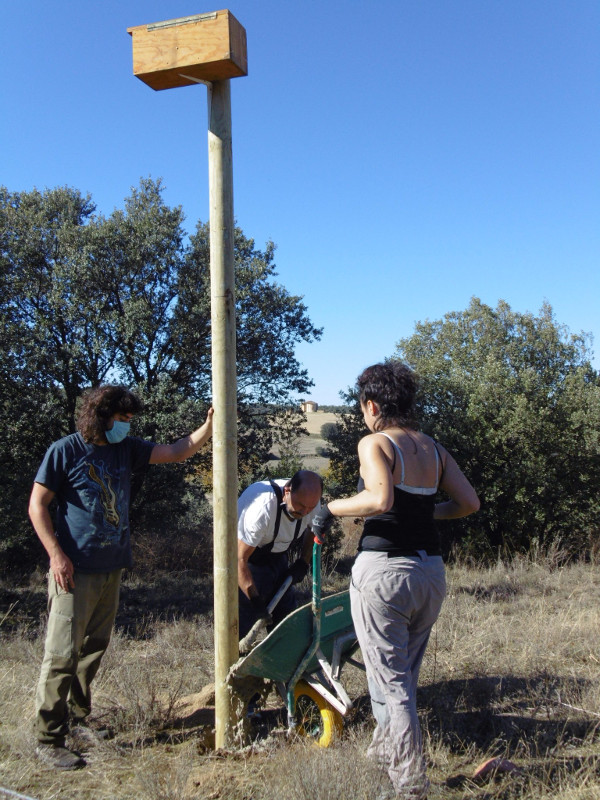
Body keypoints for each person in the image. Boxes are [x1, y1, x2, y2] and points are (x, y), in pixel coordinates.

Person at [311, 363, 479, 799]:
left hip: (385, 573)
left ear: (372, 405)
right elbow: (468, 503)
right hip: (430, 574)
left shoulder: (375, 442)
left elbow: (379, 499)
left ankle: (409, 786)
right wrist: (425, 513)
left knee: (392, 684)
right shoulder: (434, 449)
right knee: (400, 677)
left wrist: (330, 508)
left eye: (363, 406)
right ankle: (384, 756)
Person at [29, 384, 214, 771]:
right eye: (122, 420)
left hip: (111, 567)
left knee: (93, 649)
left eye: (130, 421)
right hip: (73, 571)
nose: (127, 427)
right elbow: (37, 506)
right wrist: (57, 556)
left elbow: (176, 452)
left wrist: (208, 427)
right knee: (62, 654)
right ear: (102, 415)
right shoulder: (65, 451)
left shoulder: (125, 449)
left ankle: (80, 721)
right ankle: (48, 738)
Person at [237, 470, 323, 639]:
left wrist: (303, 562)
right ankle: (237, 662)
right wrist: (255, 600)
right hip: (248, 562)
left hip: (278, 558)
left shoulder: (311, 501)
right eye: (300, 506)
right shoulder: (262, 509)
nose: (306, 512)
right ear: (287, 491)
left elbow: (313, 529)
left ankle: (284, 661)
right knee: (244, 625)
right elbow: (239, 559)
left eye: (310, 508)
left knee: (286, 625)